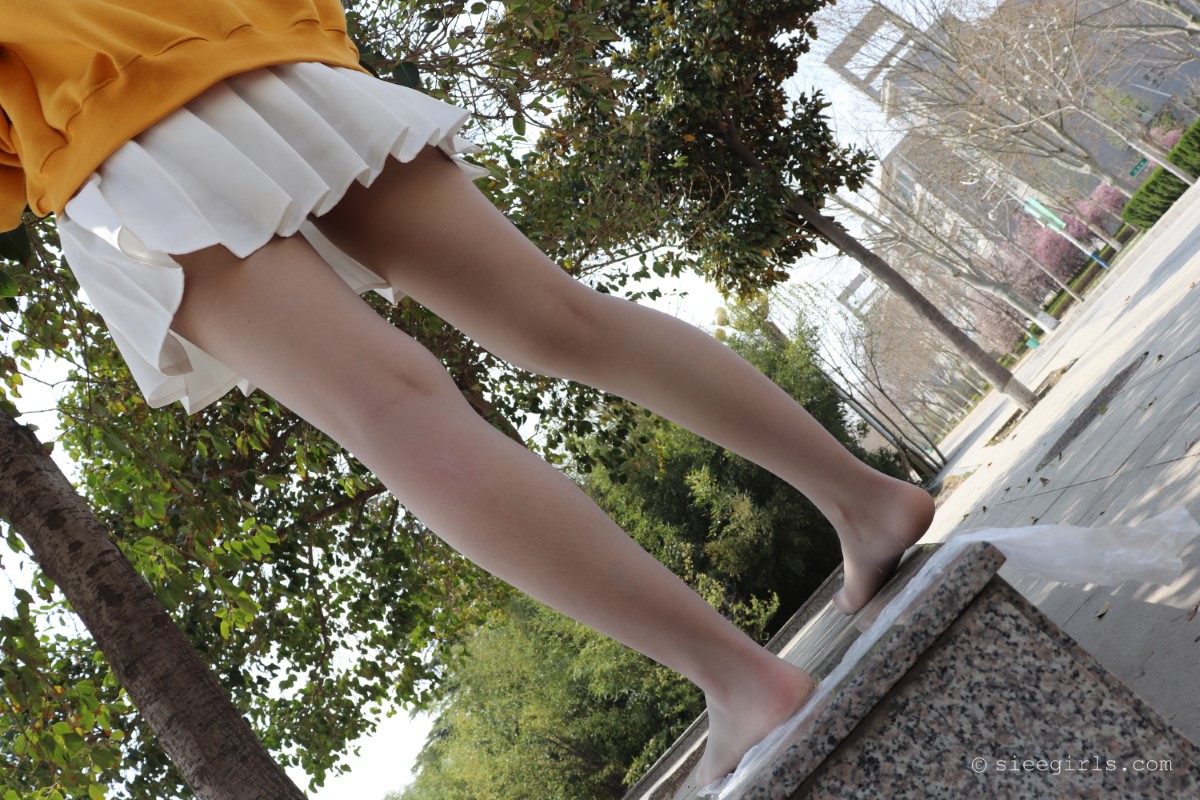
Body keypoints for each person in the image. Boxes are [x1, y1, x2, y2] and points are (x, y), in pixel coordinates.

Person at [0, 0, 935, 786]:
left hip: (105, 125)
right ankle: (862, 500)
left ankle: (740, 680)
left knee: (394, 413)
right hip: (256, 39)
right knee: (559, 318)